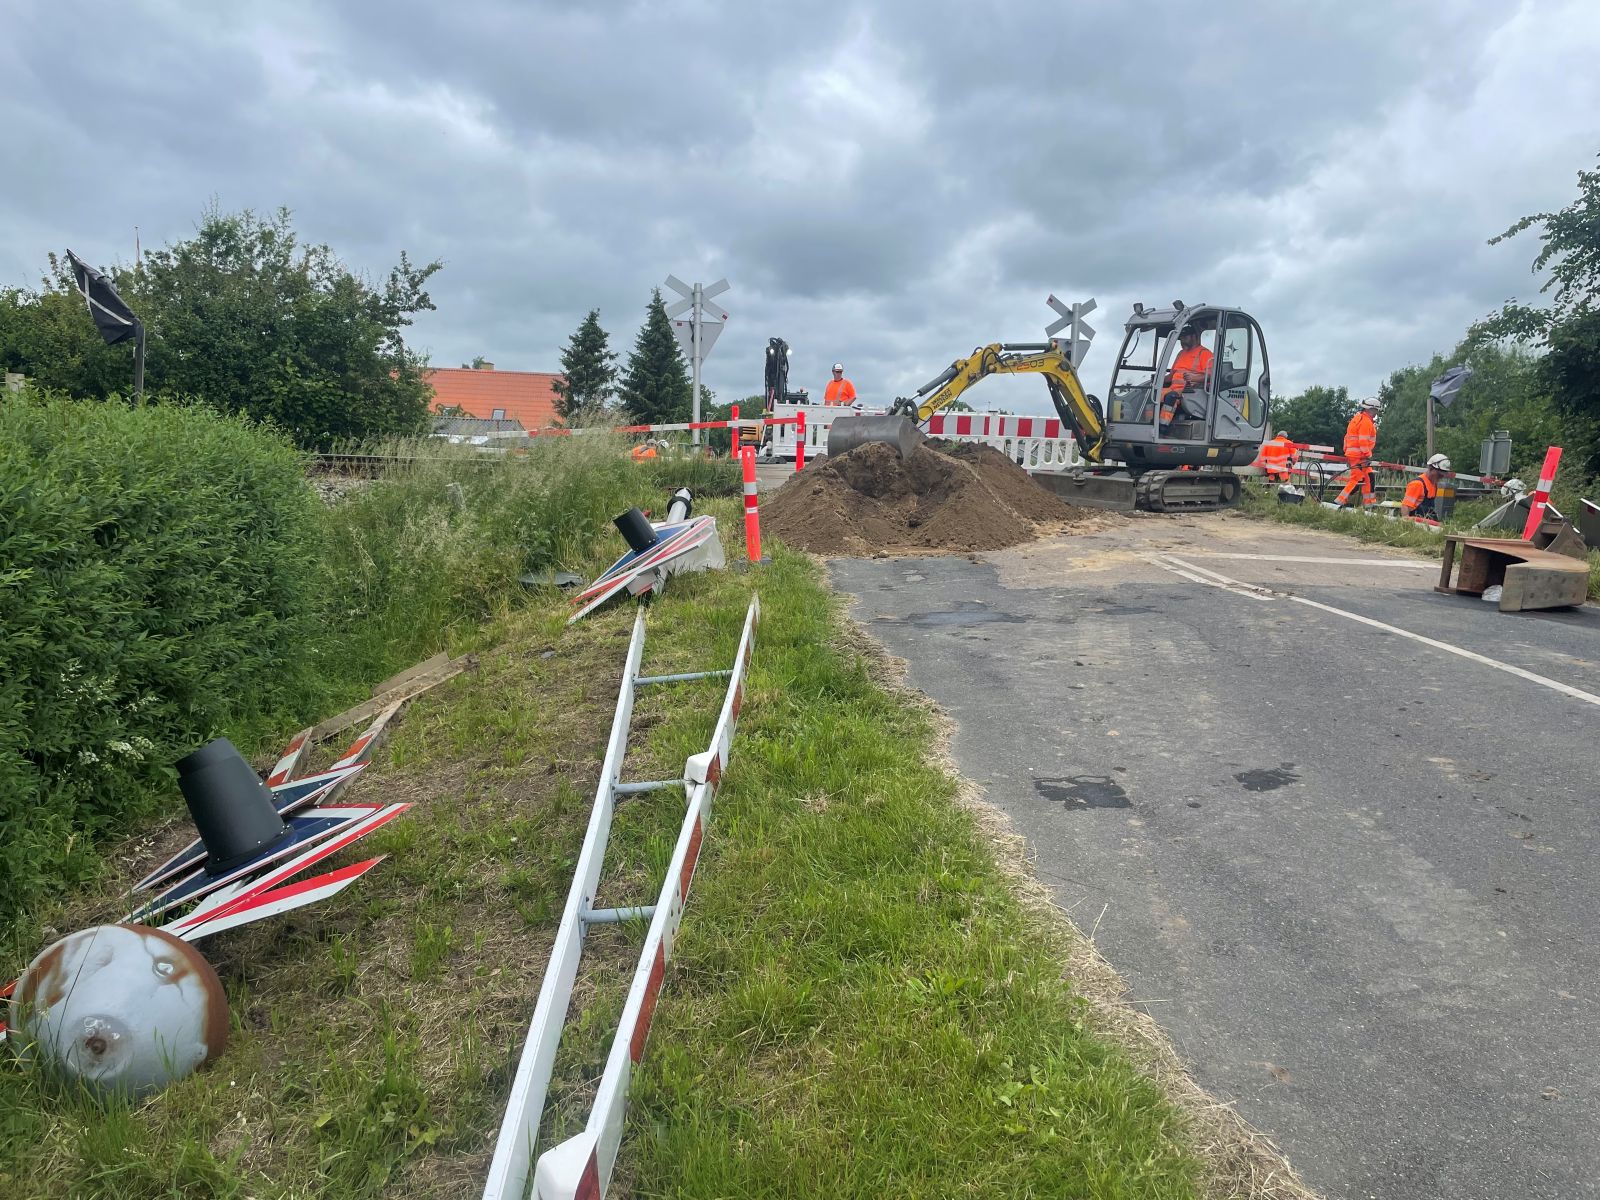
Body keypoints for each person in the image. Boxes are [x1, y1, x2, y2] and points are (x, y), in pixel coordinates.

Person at [1160, 325, 1214, 426]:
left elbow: (1211, 375)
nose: (1182, 341)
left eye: (1185, 338)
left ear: (1194, 337)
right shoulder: (1181, 353)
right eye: (1181, 338)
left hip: (1190, 391)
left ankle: (1162, 427)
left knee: (1170, 397)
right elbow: (1171, 376)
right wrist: (1158, 380)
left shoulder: (1205, 353)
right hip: (1173, 388)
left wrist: (1194, 378)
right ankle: (1149, 423)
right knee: (1152, 393)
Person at [1334, 397, 1381, 508]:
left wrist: (1347, 453)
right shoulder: (1366, 422)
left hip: (1355, 455)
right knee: (1356, 480)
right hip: (1360, 456)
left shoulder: (1356, 419)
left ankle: (1369, 504)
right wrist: (1368, 455)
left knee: (1369, 477)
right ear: (1371, 409)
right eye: (1376, 411)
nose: (1376, 413)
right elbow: (1363, 441)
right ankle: (1339, 501)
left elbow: (1346, 438)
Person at [1400, 453, 1450, 520]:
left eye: (1443, 475)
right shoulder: (1417, 484)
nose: (1441, 477)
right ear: (1431, 468)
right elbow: (1405, 506)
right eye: (1439, 474)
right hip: (1416, 522)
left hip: (1427, 522)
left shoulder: (1434, 484)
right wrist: (1406, 522)